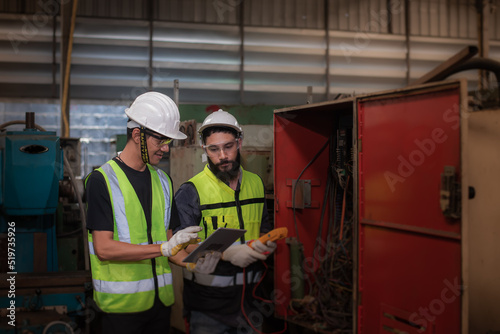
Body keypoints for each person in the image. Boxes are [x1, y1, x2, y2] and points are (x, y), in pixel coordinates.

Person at [85, 91, 202, 333]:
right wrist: (163, 249)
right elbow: (104, 248)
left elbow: (170, 243)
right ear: (138, 135)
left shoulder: (163, 181)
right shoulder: (102, 180)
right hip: (120, 311)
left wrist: (195, 262)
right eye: (161, 141)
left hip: (161, 307)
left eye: (168, 142)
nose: (166, 149)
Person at [172, 109, 277, 334]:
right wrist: (225, 253)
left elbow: (263, 225)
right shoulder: (191, 191)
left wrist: (265, 244)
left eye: (228, 146)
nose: (222, 156)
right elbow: (179, 245)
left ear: (239, 143)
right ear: (204, 149)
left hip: (252, 301)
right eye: (214, 149)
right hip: (207, 306)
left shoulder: (256, 183)